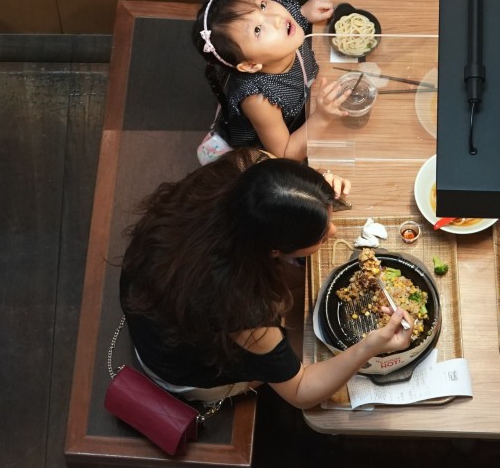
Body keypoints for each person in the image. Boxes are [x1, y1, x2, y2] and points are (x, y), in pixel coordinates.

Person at [119, 149, 411, 409]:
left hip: (160, 287)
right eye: (321, 236)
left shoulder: (246, 168)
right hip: (181, 365)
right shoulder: (242, 307)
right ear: (274, 250)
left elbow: (279, 175)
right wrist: (369, 347)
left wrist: (312, 189)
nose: (333, 232)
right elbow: (300, 390)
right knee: (310, 345)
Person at [192, 0, 350, 161]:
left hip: (303, 98)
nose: (276, 18)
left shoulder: (284, 26)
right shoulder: (259, 99)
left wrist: (303, 13)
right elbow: (284, 154)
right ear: (251, 65)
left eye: (262, 5)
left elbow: (290, 16)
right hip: (272, 138)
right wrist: (321, 117)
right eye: (257, 30)